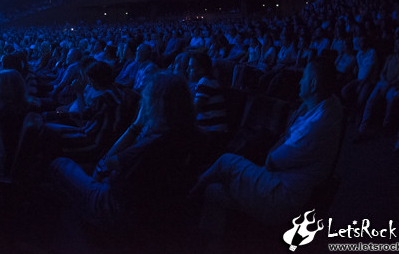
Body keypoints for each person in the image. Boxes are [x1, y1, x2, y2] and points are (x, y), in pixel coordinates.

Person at [190, 57, 343, 233]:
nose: (300, 81)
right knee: (214, 191)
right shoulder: (331, 104)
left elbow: (271, 162)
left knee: (225, 162)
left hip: (281, 196)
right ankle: (214, 243)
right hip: (292, 185)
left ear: (314, 84)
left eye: (304, 77)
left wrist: (284, 136)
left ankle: (190, 195)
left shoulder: (312, 127)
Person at [50, 71, 195, 228]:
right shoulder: (185, 136)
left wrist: (135, 126)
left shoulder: (150, 145)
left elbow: (102, 167)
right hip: (141, 210)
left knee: (59, 164)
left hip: (109, 208)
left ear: (153, 104)